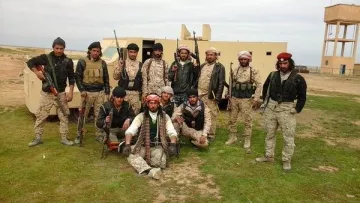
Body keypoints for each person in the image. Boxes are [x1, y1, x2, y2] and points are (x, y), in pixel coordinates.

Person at [255, 52, 307, 171]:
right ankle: (268, 156)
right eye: (281, 63)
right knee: (269, 133)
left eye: (285, 63)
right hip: (271, 108)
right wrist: (265, 103)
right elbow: (265, 87)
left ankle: (286, 160)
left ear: (290, 63)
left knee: (288, 137)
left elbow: (302, 97)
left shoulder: (298, 78)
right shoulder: (273, 75)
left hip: (287, 109)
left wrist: (297, 109)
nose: (283, 65)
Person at [26, 37, 75, 146]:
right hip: (47, 93)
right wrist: (37, 73)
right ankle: (38, 137)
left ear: (64, 49)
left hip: (61, 93)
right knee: (41, 115)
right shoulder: (45, 58)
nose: (59, 51)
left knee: (64, 116)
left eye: (61, 48)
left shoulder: (68, 61)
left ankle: (64, 138)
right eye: (57, 48)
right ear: (53, 47)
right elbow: (30, 62)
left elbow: (72, 78)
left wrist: (70, 92)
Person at [123, 94, 178, 180]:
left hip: (157, 146)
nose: (153, 105)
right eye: (151, 103)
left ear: (158, 104)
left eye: (155, 103)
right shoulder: (141, 116)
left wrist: (173, 144)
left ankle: (145, 164)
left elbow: (171, 131)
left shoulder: (165, 116)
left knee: (160, 163)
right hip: (143, 146)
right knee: (130, 155)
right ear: (147, 104)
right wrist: (127, 144)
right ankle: (150, 171)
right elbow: (131, 130)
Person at [225, 51, 262, 154]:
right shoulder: (235, 70)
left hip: (246, 100)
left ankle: (247, 140)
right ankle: (233, 137)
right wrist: (228, 94)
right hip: (234, 99)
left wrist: (256, 99)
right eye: (241, 59)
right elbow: (231, 84)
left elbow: (259, 84)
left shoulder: (253, 71)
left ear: (249, 60)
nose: (243, 61)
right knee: (232, 120)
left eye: (245, 59)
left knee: (247, 121)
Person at [75, 41, 110, 143]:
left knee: (99, 115)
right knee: (83, 114)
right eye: (94, 50)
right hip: (87, 93)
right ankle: (79, 134)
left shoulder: (103, 63)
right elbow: (78, 77)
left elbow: (106, 78)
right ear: (89, 51)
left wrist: (107, 91)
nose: (95, 53)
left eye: (97, 51)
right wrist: (82, 90)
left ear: (100, 52)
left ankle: (98, 134)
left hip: (99, 93)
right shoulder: (82, 62)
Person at [196, 47, 225, 141]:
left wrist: (217, 97)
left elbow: (221, 83)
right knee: (201, 114)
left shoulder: (219, 67)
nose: (209, 56)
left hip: (211, 95)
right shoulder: (203, 65)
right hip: (200, 94)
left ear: (216, 56)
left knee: (212, 114)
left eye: (211, 55)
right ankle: (202, 132)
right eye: (207, 55)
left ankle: (211, 135)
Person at [113, 43, 143, 114]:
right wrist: (120, 67)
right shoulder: (122, 63)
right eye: (131, 52)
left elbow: (144, 80)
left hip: (135, 93)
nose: (133, 54)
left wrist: (144, 93)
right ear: (128, 52)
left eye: (134, 52)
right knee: (123, 114)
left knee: (135, 114)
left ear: (137, 53)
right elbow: (115, 77)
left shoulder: (141, 65)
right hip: (124, 93)